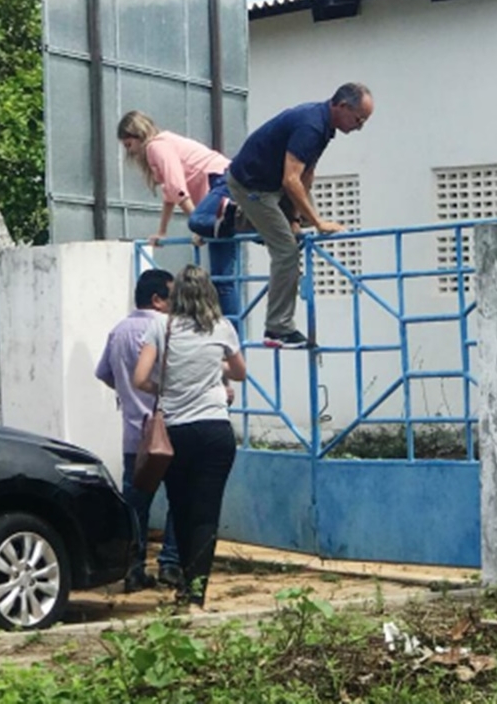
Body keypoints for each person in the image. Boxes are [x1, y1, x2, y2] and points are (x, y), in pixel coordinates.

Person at [226, 82, 374, 349]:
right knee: (287, 251)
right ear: (342, 107)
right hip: (251, 185)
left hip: (273, 183)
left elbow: (306, 174)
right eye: (359, 119)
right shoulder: (311, 126)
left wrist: (297, 217)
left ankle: (251, 221)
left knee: (299, 221)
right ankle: (277, 328)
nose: (359, 126)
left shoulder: (325, 127)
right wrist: (318, 222)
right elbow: (291, 179)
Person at [132, 264, 246, 611]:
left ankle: (183, 586)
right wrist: (215, 368)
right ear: (209, 292)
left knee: (181, 508)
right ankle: (197, 594)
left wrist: (162, 389)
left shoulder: (160, 327)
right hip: (215, 430)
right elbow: (239, 372)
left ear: (177, 294)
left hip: (176, 432)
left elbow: (139, 379)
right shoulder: (222, 327)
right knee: (206, 513)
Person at [95, 269, 183, 592]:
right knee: (181, 498)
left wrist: (129, 396)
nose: (177, 304)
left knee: (135, 506)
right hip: (169, 431)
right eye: (172, 297)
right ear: (158, 300)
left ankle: (133, 568)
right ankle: (171, 564)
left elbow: (103, 373)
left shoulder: (118, 331)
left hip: (134, 435)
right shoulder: (165, 329)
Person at [116, 110, 238, 317]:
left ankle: (231, 335)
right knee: (222, 275)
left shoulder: (156, 146)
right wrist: (162, 231)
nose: (131, 152)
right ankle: (231, 333)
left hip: (219, 182)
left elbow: (177, 187)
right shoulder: (163, 145)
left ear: (138, 135)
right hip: (225, 183)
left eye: (129, 145)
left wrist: (199, 224)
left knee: (222, 278)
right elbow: (169, 194)